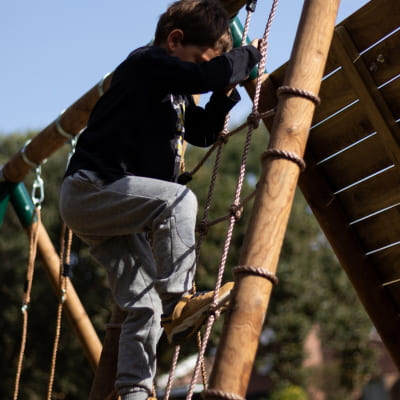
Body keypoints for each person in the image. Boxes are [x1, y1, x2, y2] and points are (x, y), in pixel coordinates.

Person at [59, 1, 261, 399]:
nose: (198, 76)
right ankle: (179, 302)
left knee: (141, 303)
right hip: (92, 188)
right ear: (174, 41)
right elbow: (205, 74)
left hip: (109, 207)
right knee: (176, 202)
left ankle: (135, 390)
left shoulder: (178, 95)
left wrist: (223, 94)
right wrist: (249, 55)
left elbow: (202, 132)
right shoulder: (145, 64)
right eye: (200, 60)